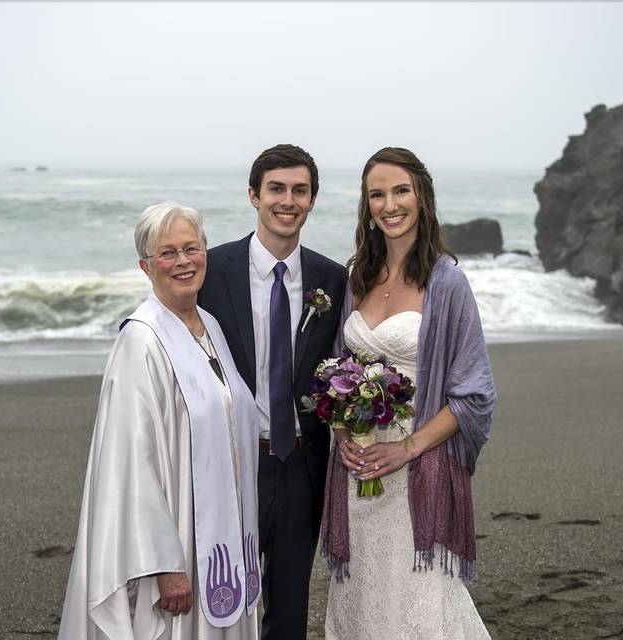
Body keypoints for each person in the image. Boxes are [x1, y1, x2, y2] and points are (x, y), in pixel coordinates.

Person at [59, 202, 261, 639]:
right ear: (145, 266)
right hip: (179, 546)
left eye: (192, 247)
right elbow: (132, 463)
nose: (183, 261)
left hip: (224, 541)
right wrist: (165, 565)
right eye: (167, 253)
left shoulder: (209, 326)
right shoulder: (142, 340)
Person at [320, 148, 497, 639]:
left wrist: (406, 448)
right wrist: (342, 434)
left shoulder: (448, 284)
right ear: (366, 205)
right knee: (362, 596)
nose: (389, 204)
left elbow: (474, 395)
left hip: (417, 469)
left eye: (400, 190)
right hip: (358, 469)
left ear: (421, 196)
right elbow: (336, 370)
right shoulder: (357, 276)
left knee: (416, 597)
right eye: (377, 194)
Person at [198, 144, 347, 640]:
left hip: (302, 466)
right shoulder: (211, 271)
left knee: (289, 613)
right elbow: (163, 332)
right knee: (223, 600)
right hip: (232, 464)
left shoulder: (332, 279)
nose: (288, 201)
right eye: (277, 189)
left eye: (299, 191)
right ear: (253, 196)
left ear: (312, 200)